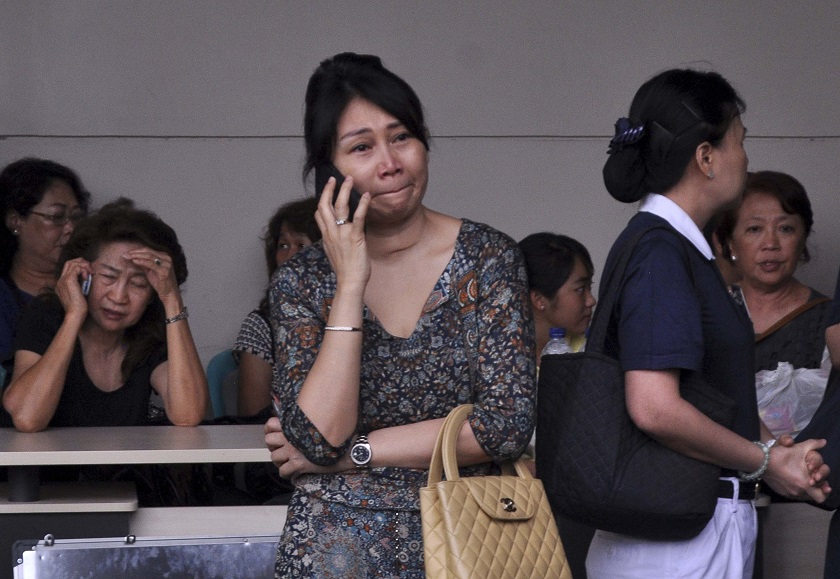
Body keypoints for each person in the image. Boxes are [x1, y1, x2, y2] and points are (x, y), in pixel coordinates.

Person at [263, 52, 535, 577]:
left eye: (402, 137)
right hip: (334, 550)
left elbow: (506, 425)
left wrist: (355, 454)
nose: (390, 162)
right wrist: (349, 283)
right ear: (328, 169)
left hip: (471, 542)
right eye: (362, 147)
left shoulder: (489, 259)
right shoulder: (302, 283)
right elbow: (317, 435)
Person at [587, 68, 831, 578]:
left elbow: (712, 393)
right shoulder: (660, 251)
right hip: (676, 543)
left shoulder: (676, 249)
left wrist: (775, 451)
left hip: (690, 531)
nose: (745, 156)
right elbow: (654, 407)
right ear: (706, 157)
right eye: (740, 141)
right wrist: (761, 460)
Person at [2, 198, 207, 432]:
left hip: (128, 467)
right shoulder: (47, 316)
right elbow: (27, 417)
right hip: (50, 468)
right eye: (109, 277)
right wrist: (73, 317)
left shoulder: (151, 328)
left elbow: (187, 414)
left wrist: (172, 300)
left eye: (138, 284)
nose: (119, 297)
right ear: (83, 274)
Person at [0, 158, 90, 377]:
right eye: (56, 217)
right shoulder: (4, 299)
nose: (70, 228)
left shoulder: (93, 286)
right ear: (15, 221)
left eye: (76, 218)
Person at [233, 197, 320, 417]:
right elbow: (252, 418)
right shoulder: (261, 325)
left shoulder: (356, 316)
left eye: (301, 245)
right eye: (283, 246)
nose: (289, 256)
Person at [519, 232, 595, 356]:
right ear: (539, 299)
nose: (591, 301)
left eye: (589, 287)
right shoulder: (504, 362)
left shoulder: (591, 352)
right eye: (580, 289)